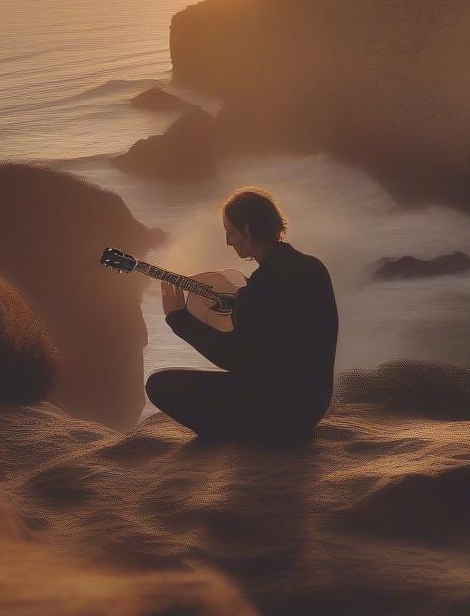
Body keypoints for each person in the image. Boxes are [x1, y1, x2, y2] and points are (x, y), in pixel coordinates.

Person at [145, 187, 338, 443]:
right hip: (313, 404)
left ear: (247, 231)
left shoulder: (259, 288)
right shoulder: (314, 267)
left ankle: (237, 437)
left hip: (278, 413)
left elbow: (234, 358)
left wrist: (178, 320)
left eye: (231, 233)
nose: (228, 241)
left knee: (159, 384)